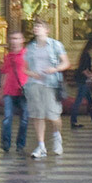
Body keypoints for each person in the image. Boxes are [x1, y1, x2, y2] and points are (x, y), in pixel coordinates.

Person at [25, 18, 68, 159]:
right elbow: (23, 68)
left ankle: (57, 135)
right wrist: (32, 74)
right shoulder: (30, 48)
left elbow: (66, 63)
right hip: (34, 84)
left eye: (40, 26)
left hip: (51, 83)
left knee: (54, 116)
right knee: (38, 115)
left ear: (47, 30)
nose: (36, 28)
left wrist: (55, 69)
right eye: (35, 26)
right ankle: (41, 145)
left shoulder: (56, 45)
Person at [1, 29, 29, 154]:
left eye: (17, 38)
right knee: (7, 118)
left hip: (24, 91)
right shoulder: (8, 56)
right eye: (12, 39)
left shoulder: (28, 55)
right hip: (9, 91)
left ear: (22, 40)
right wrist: (1, 89)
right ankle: (6, 142)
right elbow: (4, 73)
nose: (14, 41)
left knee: (24, 119)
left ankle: (20, 144)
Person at [70, 33, 92, 131]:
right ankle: (73, 121)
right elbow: (84, 69)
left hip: (84, 80)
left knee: (90, 101)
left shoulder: (85, 54)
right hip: (83, 81)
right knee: (79, 101)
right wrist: (91, 76)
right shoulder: (86, 55)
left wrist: (91, 76)